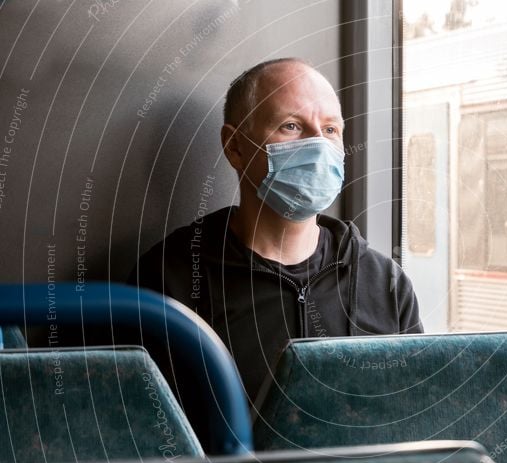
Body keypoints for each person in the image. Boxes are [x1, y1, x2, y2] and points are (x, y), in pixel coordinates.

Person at [129, 57, 423, 416]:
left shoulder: (385, 285)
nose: (318, 146)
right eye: (291, 126)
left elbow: (412, 419)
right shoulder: (169, 281)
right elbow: (145, 435)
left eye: (330, 130)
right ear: (235, 147)